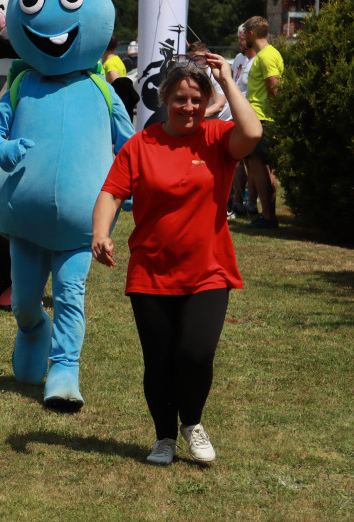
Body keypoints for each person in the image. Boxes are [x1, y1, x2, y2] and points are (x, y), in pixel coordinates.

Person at [91, 56, 262, 466]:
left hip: (209, 269)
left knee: (196, 354)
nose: (189, 108)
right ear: (164, 99)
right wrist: (100, 233)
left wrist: (225, 79)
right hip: (151, 271)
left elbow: (252, 131)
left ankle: (194, 423)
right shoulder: (141, 144)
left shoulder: (218, 138)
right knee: (160, 360)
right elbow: (112, 192)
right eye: (181, 99)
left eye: (197, 100)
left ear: (207, 103)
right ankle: (164, 436)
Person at [241, 16, 284, 228]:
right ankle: (267, 215)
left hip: (263, 118)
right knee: (260, 166)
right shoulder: (266, 54)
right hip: (261, 117)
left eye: (244, 35)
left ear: (251, 34)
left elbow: (274, 88)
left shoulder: (266, 56)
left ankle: (268, 217)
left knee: (258, 165)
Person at [225, 24, 258, 218]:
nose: (239, 40)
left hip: (252, 116)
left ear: (251, 37)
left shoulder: (258, 62)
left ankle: (252, 203)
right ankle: (237, 202)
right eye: (238, 37)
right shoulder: (238, 59)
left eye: (242, 37)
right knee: (236, 162)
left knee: (253, 163)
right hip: (233, 116)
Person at [185, 41, 226, 118]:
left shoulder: (216, 76)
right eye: (190, 59)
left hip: (220, 120)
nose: (193, 63)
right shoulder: (189, 75)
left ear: (207, 57)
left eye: (198, 59)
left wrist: (194, 115)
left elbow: (219, 105)